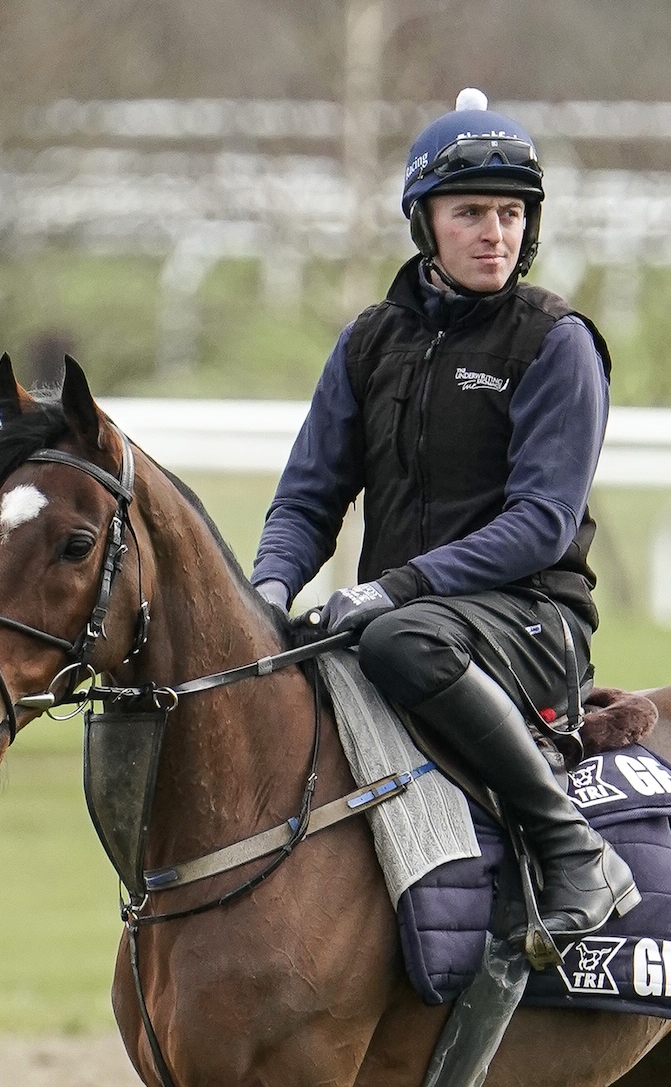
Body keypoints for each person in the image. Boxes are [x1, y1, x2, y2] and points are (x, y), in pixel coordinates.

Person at [251, 89, 637, 944]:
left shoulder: (558, 343)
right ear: (425, 224)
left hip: (531, 622)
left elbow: (541, 524)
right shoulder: (369, 342)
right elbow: (307, 498)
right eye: (471, 213)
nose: (495, 233)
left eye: (511, 213)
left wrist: (394, 589)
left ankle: (575, 852)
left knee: (398, 640)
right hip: (406, 619)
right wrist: (267, 593)